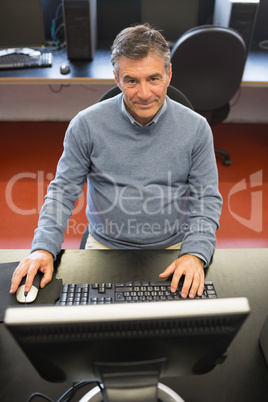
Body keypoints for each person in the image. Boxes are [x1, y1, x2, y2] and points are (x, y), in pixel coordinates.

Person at [10, 24, 222, 299]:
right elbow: (62, 192)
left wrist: (194, 253)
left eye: (154, 79)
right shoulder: (85, 125)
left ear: (169, 74)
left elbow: (207, 199)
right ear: (117, 78)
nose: (144, 93)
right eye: (132, 80)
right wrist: (43, 247)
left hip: (173, 247)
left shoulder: (197, 128)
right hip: (105, 246)